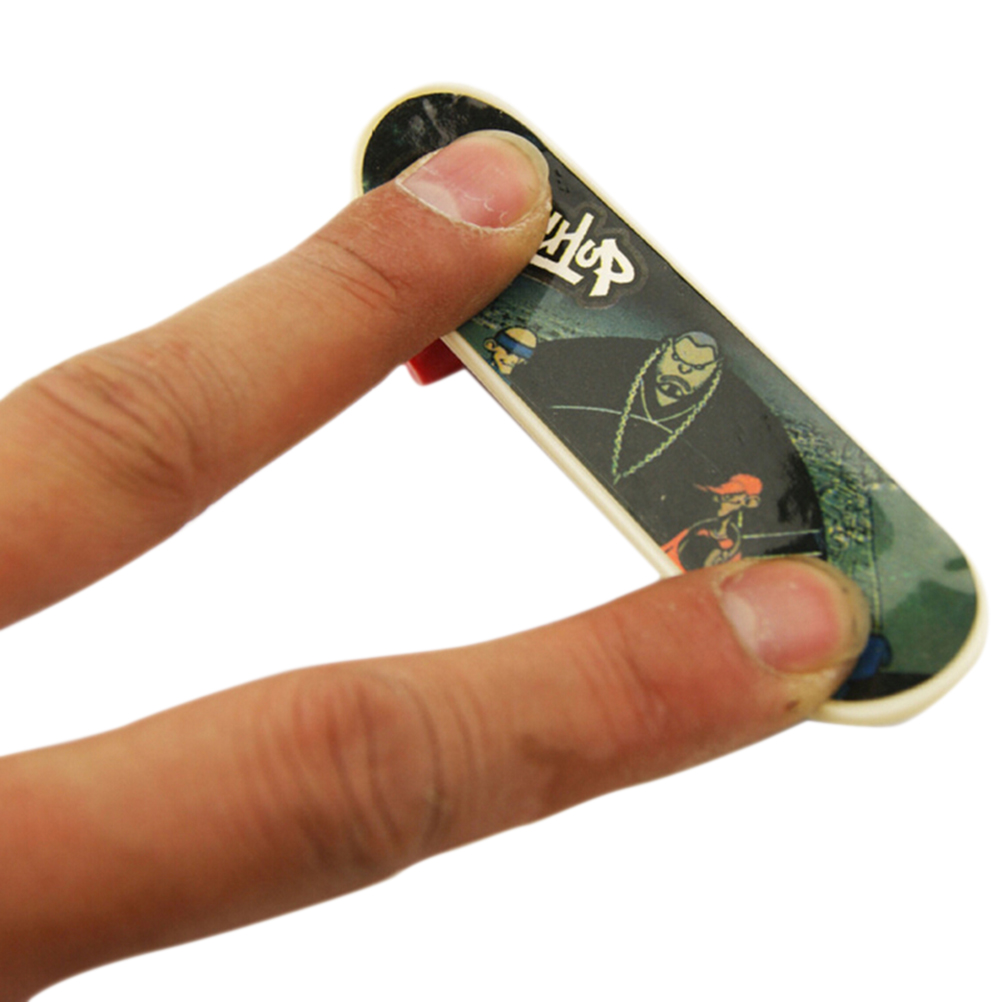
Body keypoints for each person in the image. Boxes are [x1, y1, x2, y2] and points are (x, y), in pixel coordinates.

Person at [0, 131, 869, 996]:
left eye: (694, 375)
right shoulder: (588, 362)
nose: (677, 379)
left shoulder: (740, 445)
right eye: (673, 365)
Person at [509, 330, 826, 559]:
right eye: (677, 359)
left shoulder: (730, 428)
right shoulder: (597, 371)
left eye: (697, 368)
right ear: (662, 352)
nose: (683, 370)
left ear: (714, 372)